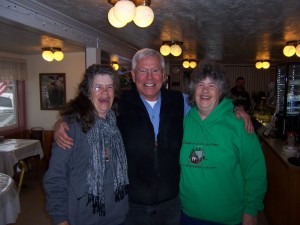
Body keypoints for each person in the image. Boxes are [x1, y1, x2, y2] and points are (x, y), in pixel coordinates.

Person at [53, 48, 253, 225]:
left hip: (172, 206)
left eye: (155, 70)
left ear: (164, 75)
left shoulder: (181, 102)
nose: (149, 77)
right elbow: (90, 109)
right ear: (133, 75)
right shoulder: (119, 103)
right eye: (143, 70)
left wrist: (235, 108)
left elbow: (209, 99)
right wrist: (63, 122)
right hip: (132, 207)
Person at [179, 61, 267, 225]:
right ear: (193, 89)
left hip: (227, 217)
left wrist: (251, 210)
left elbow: (255, 171)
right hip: (188, 214)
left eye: (212, 85)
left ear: (221, 92)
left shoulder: (238, 124)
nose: (205, 90)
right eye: (200, 84)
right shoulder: (185, 118)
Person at [43, 64, 129, 225]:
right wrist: (60, 219)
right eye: (98, 87)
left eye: (109, 87)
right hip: (83, 217)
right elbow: (55, 177)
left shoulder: (118, 122)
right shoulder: (71, 128)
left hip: (118, 215)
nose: (105, 92)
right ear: (87, 92)